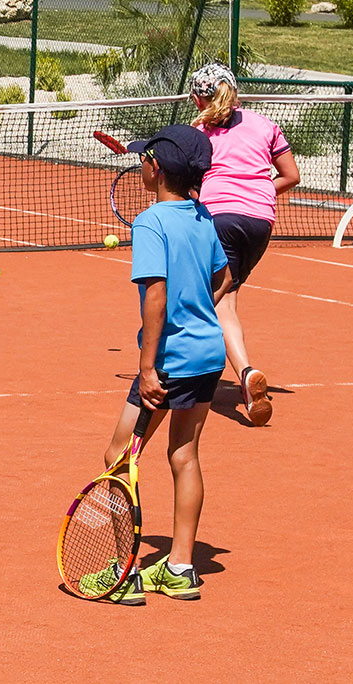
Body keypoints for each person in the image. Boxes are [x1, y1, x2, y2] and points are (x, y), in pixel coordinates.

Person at [94, 123, 231, 604]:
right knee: (184, 454)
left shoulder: (151, 221)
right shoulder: (202, 215)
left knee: (118, 457)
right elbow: (225, 276)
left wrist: (148, 367)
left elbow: (155, 296)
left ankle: (124, 572)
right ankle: (180, 569)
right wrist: (198, 311)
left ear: (155, 168)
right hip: (209, 354)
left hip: (170, 361)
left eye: (143, 158)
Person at [188, 63, 298, 427]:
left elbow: (189, 187)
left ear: (198, 98)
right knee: (228, 299)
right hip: (261, 222)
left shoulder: (198, 132)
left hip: (220, 219)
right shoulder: (265, 125)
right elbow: (291, 176)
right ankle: (237, 375)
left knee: (216, 303)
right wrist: (259, 192)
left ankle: (243, 374)